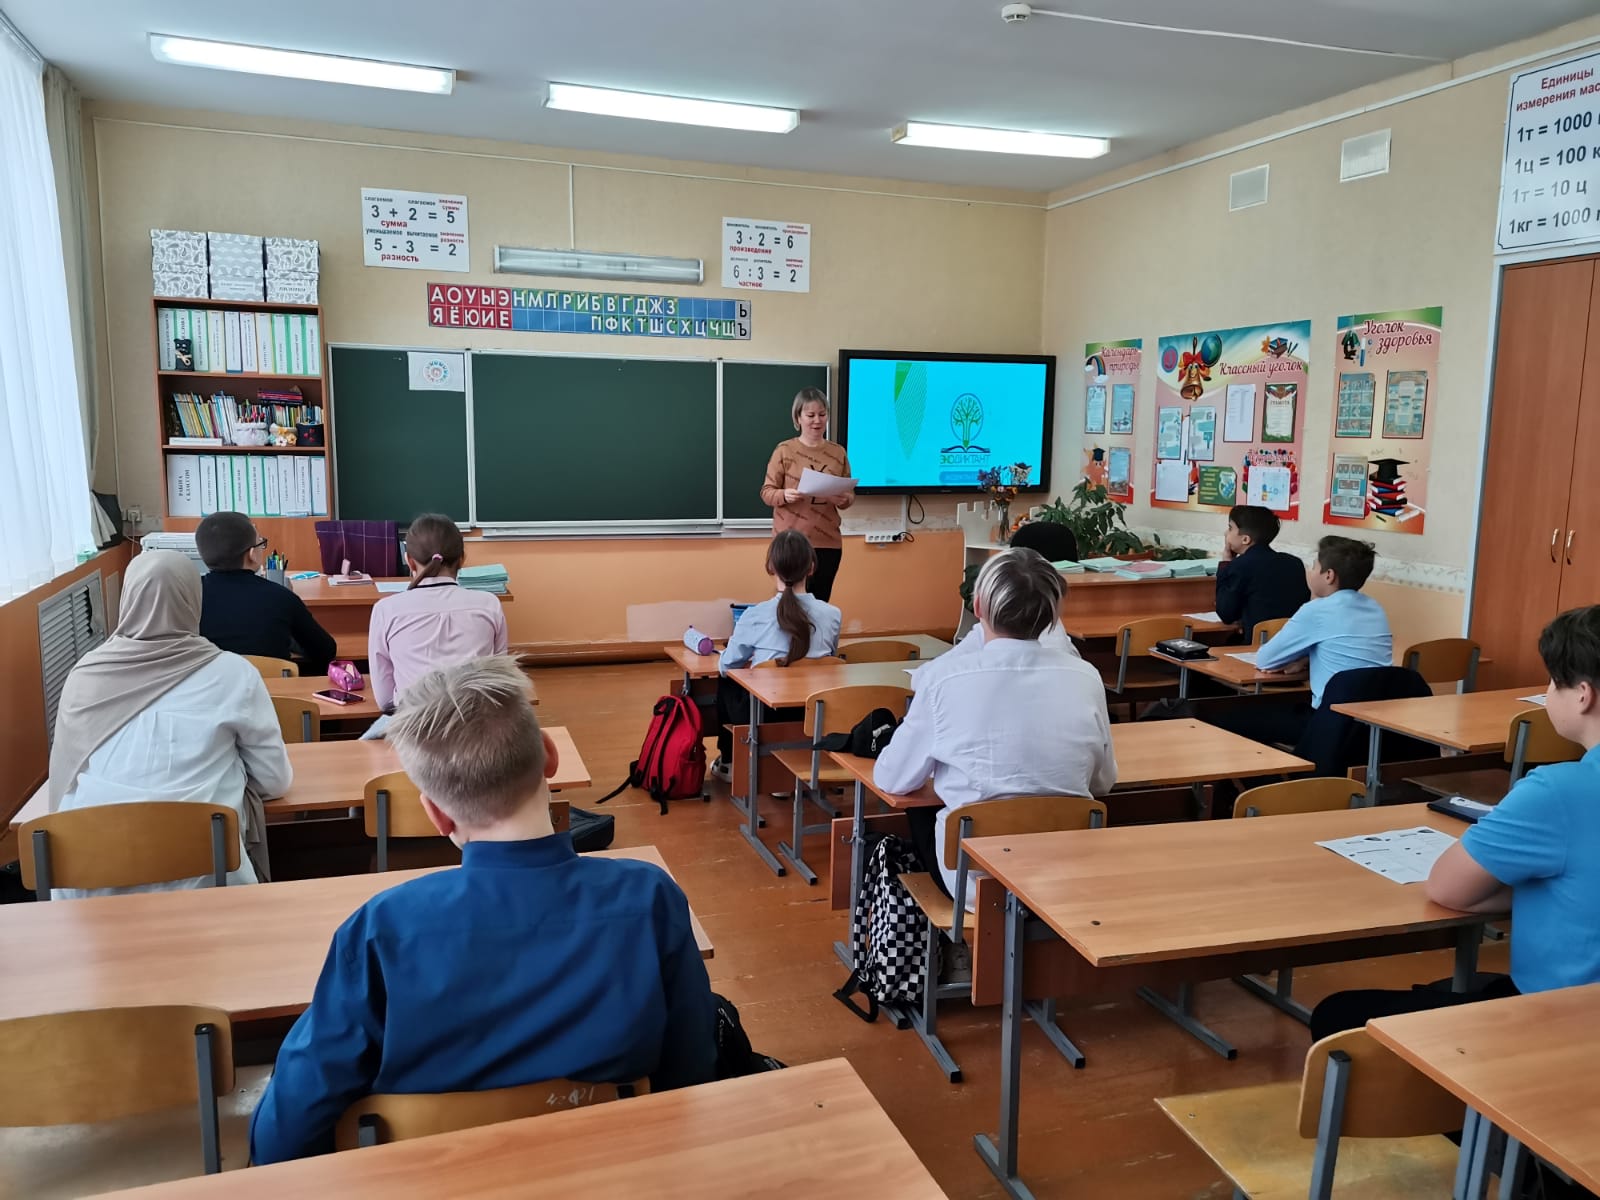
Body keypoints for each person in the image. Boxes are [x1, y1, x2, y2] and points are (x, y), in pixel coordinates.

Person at [248, 656, 717, 1163]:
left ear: (436, 814)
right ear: (550, 755)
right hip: (615, 1173)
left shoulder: (380, 931)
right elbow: (693, 1073)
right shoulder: (650, 897)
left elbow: (283, 1135)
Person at [1309, 605, 1600, 1042]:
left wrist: (1536, 890)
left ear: (1582, 695)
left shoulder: (1559, 792)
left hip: (1562, 1027)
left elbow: (1448, 889)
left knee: (1338, 1015)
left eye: (1553, 682)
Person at [873, 547, 1117, 899]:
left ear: (977, 607)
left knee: (922, 811)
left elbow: (893, 779)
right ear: (1052, 614)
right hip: (1068, 874)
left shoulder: (943, 679)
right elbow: (1103, 782)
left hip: (977, 881)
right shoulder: (1086, 677)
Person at [47, 549, 290, 894]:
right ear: (194, 600)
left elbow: (64, 772)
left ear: (127, 598)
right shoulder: (233, 673)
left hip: (87, 880)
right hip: (207, 878)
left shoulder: (85, 674)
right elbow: (275, 781)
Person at [1204, 536, 1393, 757]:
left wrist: (1301, 655)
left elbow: (1265, 660)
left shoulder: (1317, 610)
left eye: (1314, 566)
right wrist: (1306, 659)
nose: (1310, 572)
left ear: (1329, 576)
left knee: (1224, 719)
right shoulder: (1375, 609)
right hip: (1370, 726)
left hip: (1328, 724)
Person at [711, 530, 843, 778]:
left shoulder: (755, 615)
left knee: (725, 681)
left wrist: (756, 665)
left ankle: (728, 762)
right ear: (811, 567)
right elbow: (829, 661)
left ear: (771, 567)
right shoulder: (832, 614)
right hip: (812, 714)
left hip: (764, 716)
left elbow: (726, 666)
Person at [365, 513, 508, 738]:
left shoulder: (386, 609)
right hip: (478, 734)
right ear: (462, 559)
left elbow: (385, 701)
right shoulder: (489, 604)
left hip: (414, 736)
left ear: (409, 560)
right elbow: (499, 682)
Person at [195, 511, 337, 675]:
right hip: (273, 689)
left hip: (209, 688)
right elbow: (325, 651)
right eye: (260, 543)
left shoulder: (189, 596)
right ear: (251, 555)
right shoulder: (282, 596)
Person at [761, 387, 854, 603]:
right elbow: (767, 492)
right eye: (810, 415)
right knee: (790, 604)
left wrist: (844, 499)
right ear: (798, 418)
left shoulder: (838, 452)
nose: (817, 421)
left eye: (822, 414)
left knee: (819, 605)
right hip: (790, 541)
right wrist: (785, 495)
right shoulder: (784, 450)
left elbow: (849, 494)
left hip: (827, 543)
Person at [1213, 504, 1310, 642]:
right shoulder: (1294, 563)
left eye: (1230, 528)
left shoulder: (1240, 566)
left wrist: (1226, 563)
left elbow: (1226, 614)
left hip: (1257, 644)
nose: (1225, 533)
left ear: (1245, 539)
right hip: (1291, 642)